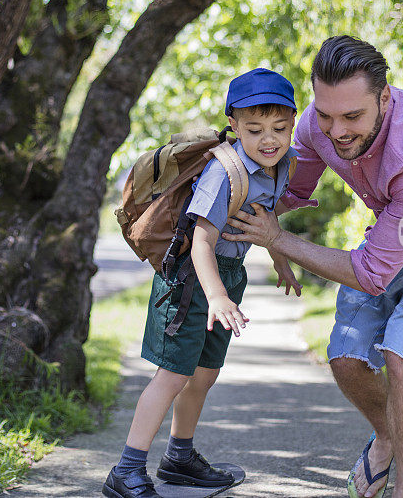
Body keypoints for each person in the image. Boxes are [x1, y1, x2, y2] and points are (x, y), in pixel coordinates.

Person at [223, 36, 403, 498]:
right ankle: (388, 435)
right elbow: (289, 195)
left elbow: (372, 273)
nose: (337, 130)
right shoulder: (316, 125)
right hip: (402, 232)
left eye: (353, 116)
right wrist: (234, 201)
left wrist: (279, 240)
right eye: (327, 114)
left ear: (384, 97)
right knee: (346, 356)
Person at [103, 68, 300, 498]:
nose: (269, 139)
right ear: (233, 124)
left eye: (279, 129)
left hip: (226, 278)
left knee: (205, 374)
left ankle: (179, 457)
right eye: (254, 129)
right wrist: (215, 295)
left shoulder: (279, 165)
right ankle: (127, 469)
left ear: (292, 123)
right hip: (191, 281)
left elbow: (268, 221)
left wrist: (280, 261)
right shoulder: (223, 173)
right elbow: (201, 245)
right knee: (172, 375)